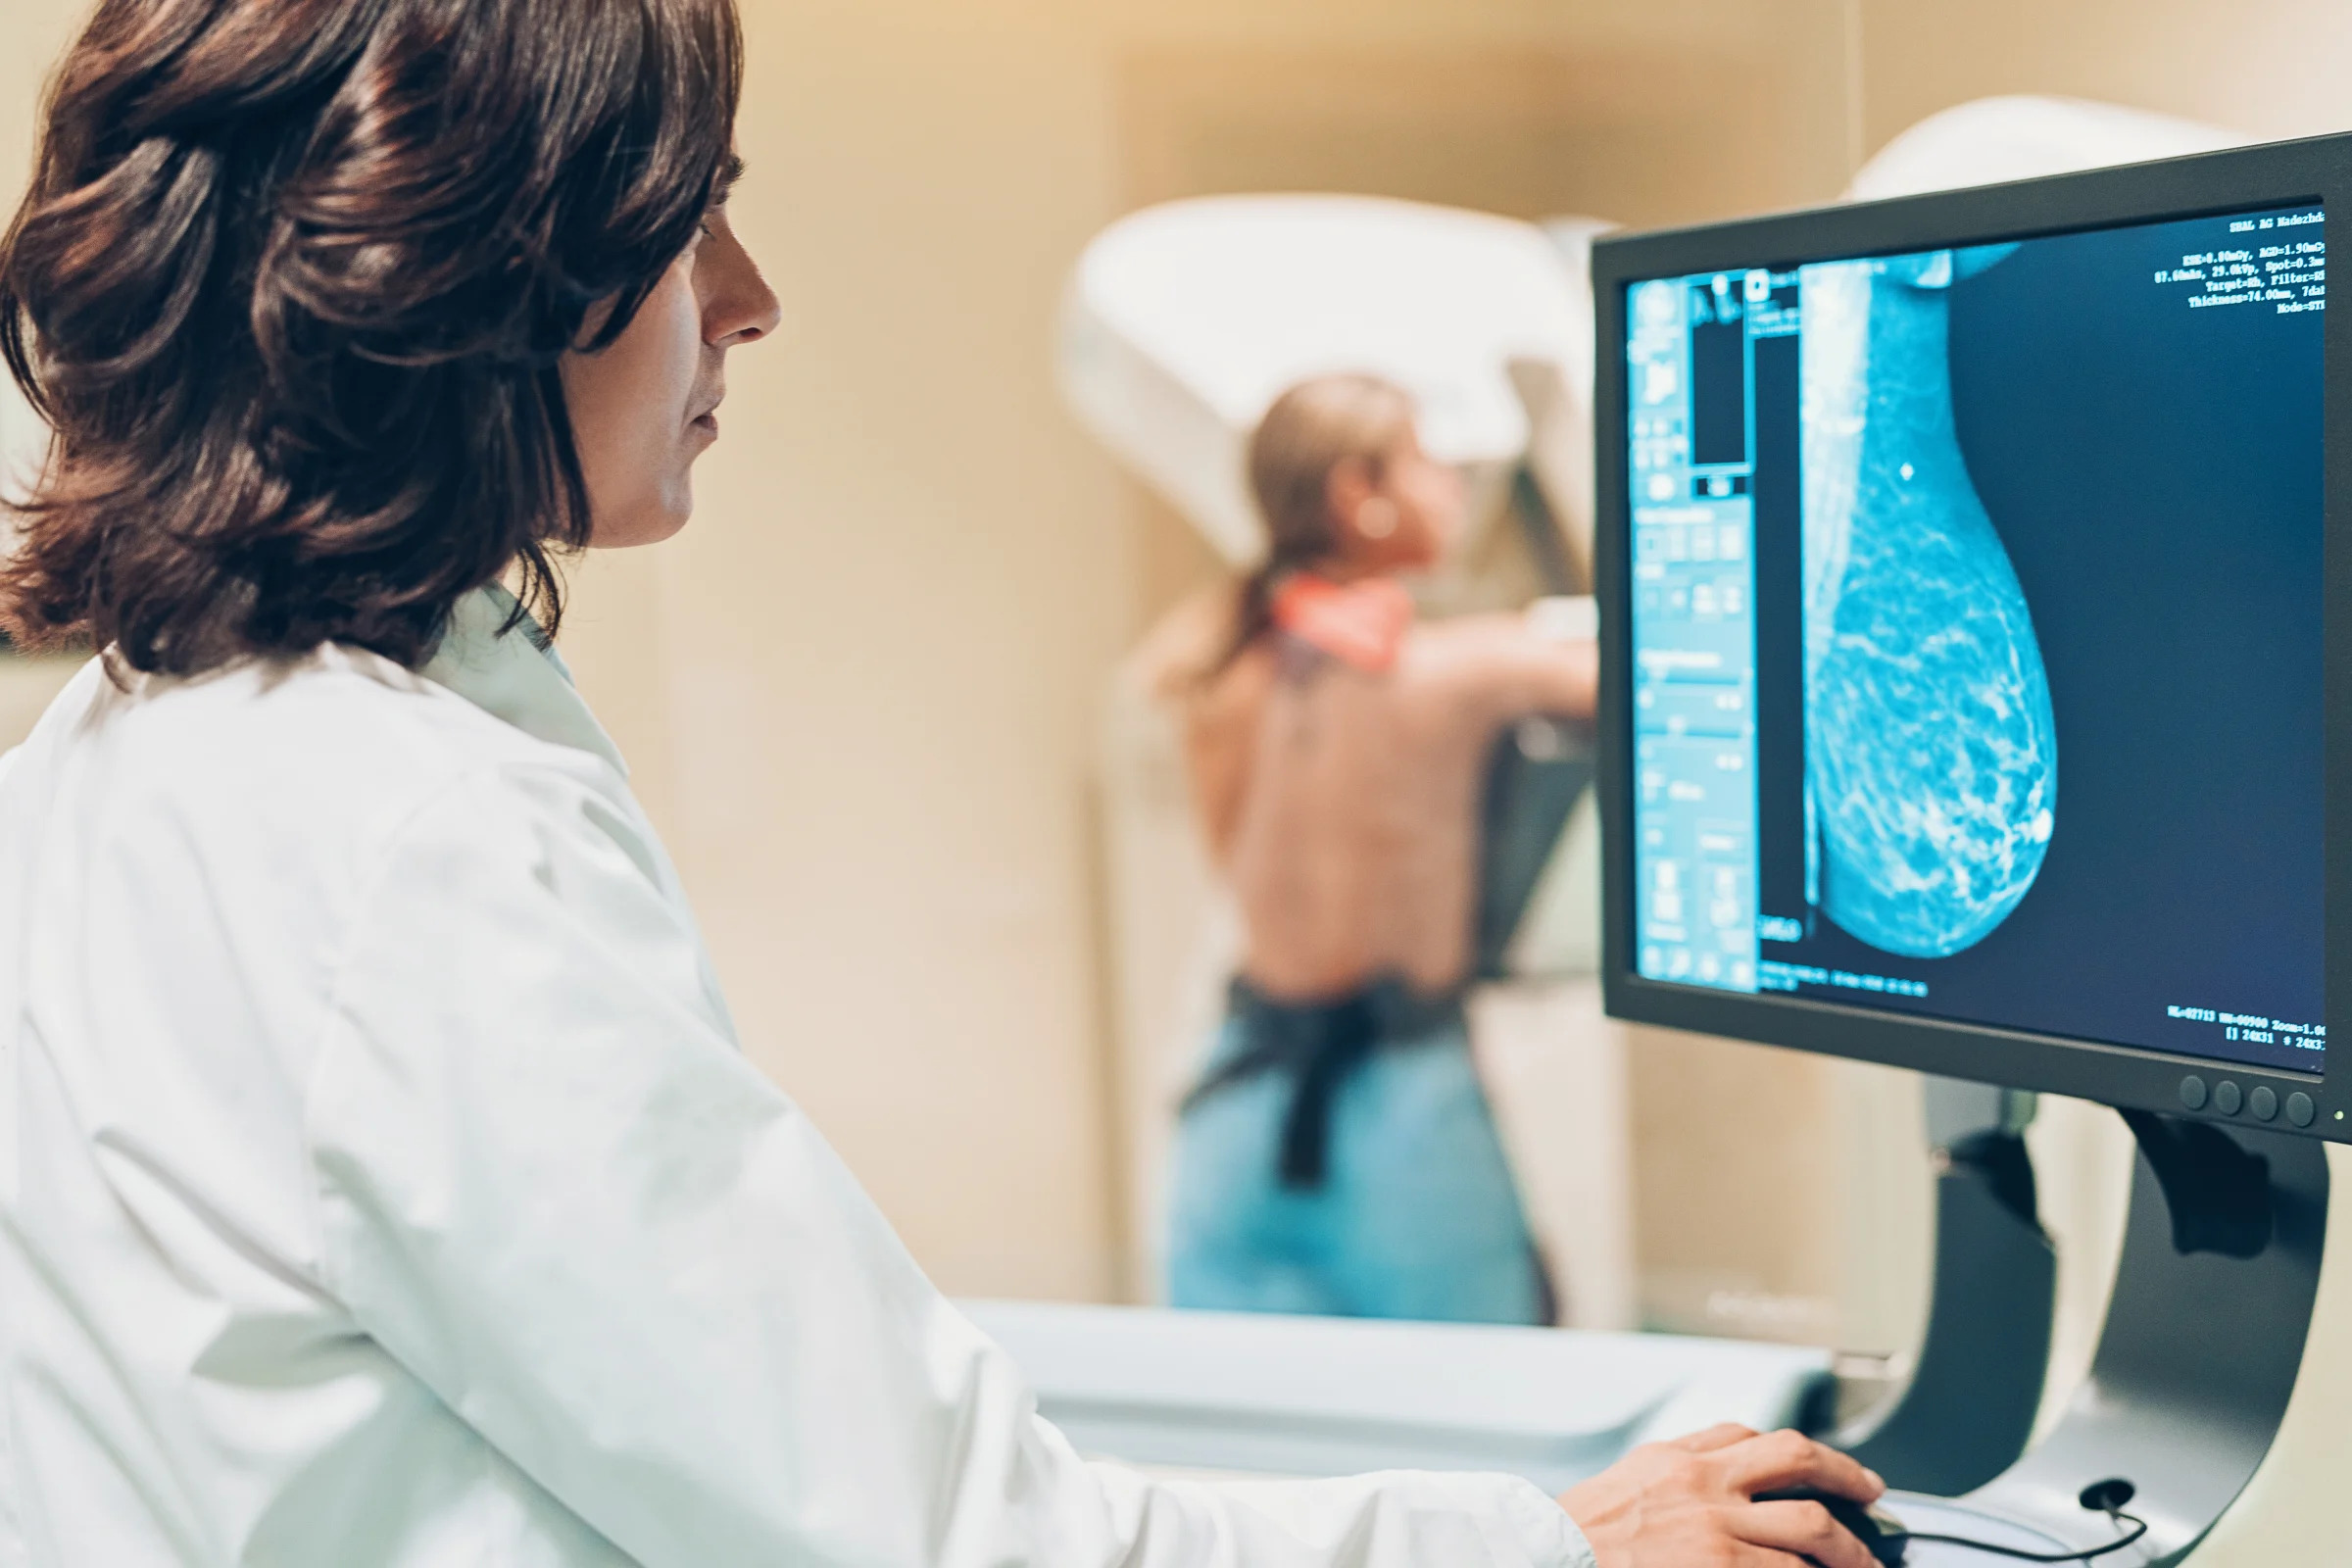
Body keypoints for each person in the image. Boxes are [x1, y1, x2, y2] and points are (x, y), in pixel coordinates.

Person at [0, 2, 1887, 1565]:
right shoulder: (407, 838)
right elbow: (952, 1539)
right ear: (477, 274)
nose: (750, 299)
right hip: (1363, 1103)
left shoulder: (108, 760)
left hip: (1264, 1096)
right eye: (685, 226)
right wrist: (1552, 1550)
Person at [1160, 374, 1596, 1325]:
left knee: (1249, 1432)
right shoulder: (1450, 672)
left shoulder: (1209, 665)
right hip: (1399, 1110)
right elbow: (1671, 672)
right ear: (1362, 496)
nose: (1453, 487)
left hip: (1237, 1096)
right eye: (1429, 461)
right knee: (1491, 1408)